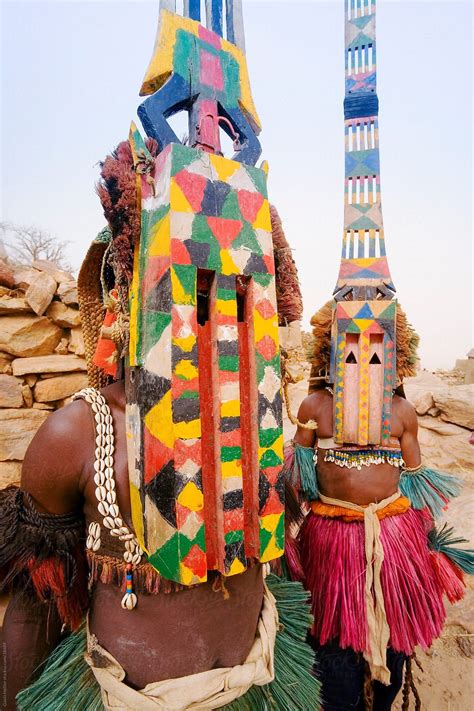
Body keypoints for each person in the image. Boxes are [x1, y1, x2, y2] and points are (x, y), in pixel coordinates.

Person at [283, 302, 473, 711]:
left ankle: (382, 693)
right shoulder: (315, 407)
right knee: (333, 647)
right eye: (349, 348)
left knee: (394, 640)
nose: (361, 359)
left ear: (393, 356)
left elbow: (416, 479)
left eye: (375, 349)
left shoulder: (403, 412)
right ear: (330, 354)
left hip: (394, 537)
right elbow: (296, 476)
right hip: (331, 541)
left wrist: (427, 544)